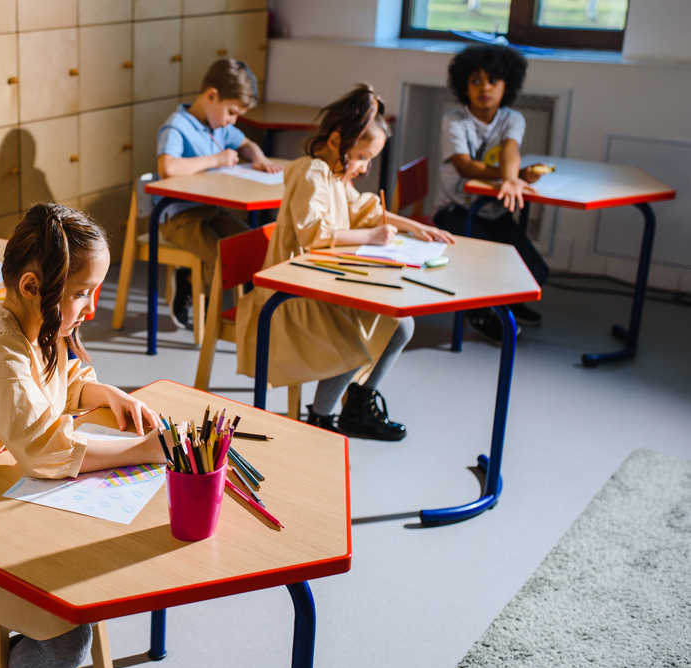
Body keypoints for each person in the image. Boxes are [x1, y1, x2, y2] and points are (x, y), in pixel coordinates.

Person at [0, 203, 166, 668]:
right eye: (82, 293)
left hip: (17, 506)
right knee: (68, 635)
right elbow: (43, 451)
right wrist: (147, 449)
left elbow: (59, 385)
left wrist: (105, 392)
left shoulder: (38, 325)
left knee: (97, 576)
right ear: (32, 286)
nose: (92, 309)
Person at [235, 85, 454, 441]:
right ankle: (320, 419)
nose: (365, 168)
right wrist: (370, 237)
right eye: (363, 157)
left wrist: (411, 225)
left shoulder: (333, 174)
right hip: (290, 298)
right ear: (337, 141)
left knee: (401, 325)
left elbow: (363, 208)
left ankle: (358, 403)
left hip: (319, 286)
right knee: (356, 336)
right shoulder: (309, 172)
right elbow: (314, 233)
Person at [432, 44, 550, 344]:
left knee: (536, 271)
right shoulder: (454, 120)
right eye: (475, 81)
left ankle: (504, 302)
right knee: (487, 264)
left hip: (492, 210)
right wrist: (514, 176)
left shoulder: (512, 118)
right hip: (453, 210)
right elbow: (465, 166)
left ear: (506, 85)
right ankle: (482, 313)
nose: (484, 87)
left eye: (492, 80)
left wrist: (514, 177)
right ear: (464, 87)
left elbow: (511, 148)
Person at [156, 57, 282, 330]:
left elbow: (245, 142)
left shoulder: (219, 125)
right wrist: (215, 159)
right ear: (211, 96)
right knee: (219, 256)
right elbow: (167, 166)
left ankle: (243, 308)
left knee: (251, 243)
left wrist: (258, 157)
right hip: (178, 216)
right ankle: (203, 308)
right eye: (232, 113)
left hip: (211, 209)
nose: (233, 121)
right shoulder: (178, 125)